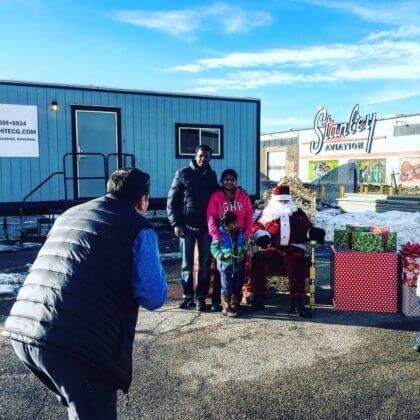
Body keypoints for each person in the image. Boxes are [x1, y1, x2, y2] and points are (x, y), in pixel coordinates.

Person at [2, 168, 167, 420]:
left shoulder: (71, 213)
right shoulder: (138, 228)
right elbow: (153, 296)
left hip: (24, 328)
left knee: (80, 406)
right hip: (74, 345)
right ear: (143, 200)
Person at [245, 184, 325, 317]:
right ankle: (258, 300)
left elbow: (306, 228)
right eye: (280, 200)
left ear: (289, 200)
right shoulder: (268, 212)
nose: (283, 202)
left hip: (292, 248)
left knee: (297, 261)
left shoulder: (297, 212)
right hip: (273, 248)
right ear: (275, 200)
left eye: (285, 200)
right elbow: (256, 226)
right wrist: (262, 235)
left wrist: (313, 232)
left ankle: (297, 303)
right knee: (258, 258)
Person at [167, 144, 219, 311]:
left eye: (207, 157)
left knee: (205, 263)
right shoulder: (183, 173)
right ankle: (188, 296)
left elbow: (219, 195)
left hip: (206, 228)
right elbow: (172, 200)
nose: (204, 159)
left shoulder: (212, 175)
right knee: (186, 264)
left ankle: (201, 297)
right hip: (186, 227)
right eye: (201, 156)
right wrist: (175, 223)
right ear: (195, 155)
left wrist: (237, 192)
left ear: (210, 158)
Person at [207, 169, 254, 310]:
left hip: (239, 237)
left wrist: (247, 234)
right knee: (222, 274)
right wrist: (215, 235)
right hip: (223, 237)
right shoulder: (216, 196)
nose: (229, 182)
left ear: (236, 181)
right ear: (222, 181)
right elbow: (211, 217)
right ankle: (222, 302)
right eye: (226, 179)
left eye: (232, 179)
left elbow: (249, 215)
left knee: (240, 273)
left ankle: (236, 301)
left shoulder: (243, 196)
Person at [211, 211, 249, 317]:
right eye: (234, 223)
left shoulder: (240, 233)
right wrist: (222, 256)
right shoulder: (219, 234)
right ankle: (226, 307)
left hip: (237, 265)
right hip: (225, 266)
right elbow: (213, 248)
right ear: (225, 224)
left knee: (237, 285)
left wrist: (242, 253)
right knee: (226, 286)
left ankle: (234, 304)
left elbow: (245, 243)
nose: (236, 225)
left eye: (237, 222)